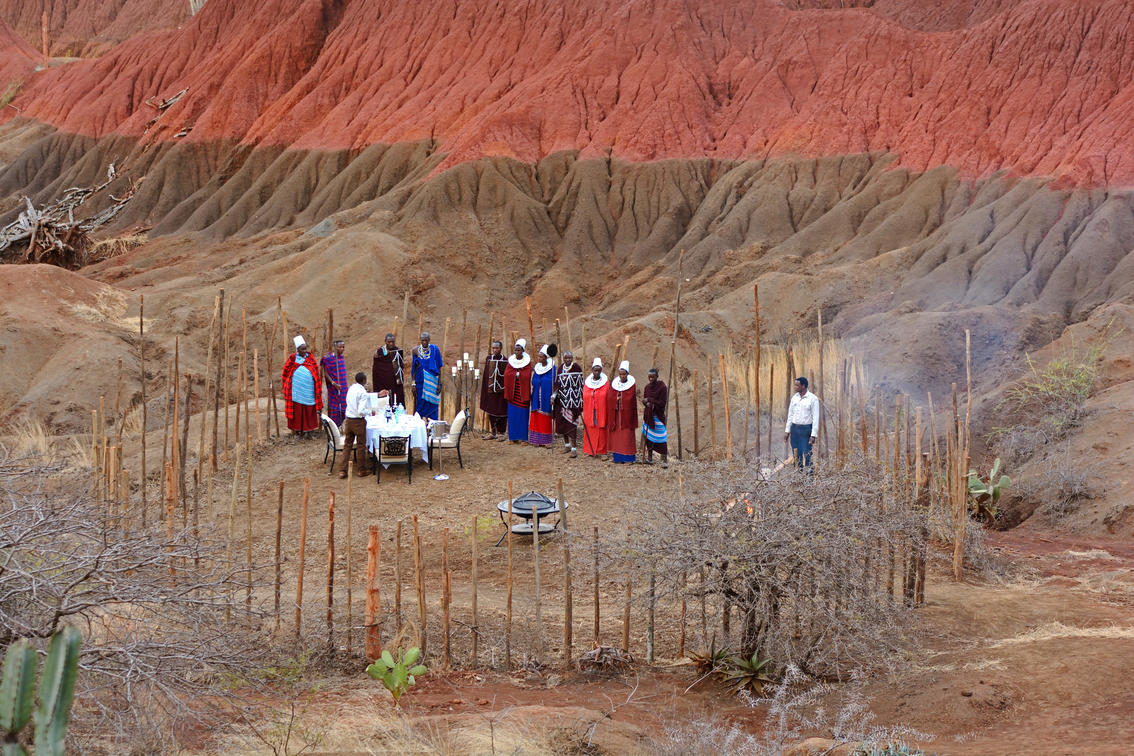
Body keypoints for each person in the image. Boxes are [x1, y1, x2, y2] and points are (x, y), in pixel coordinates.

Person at [281, 335, 322, 437]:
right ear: (297, 350)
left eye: (305, 348)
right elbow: (286, 371)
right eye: (302, 349)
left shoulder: (310, 358)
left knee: (309, 409)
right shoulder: (292, 358)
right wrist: (287, 383)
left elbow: (315, 371)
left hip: (309, 390)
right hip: (296, 391)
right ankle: (298, 431)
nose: (304, 351)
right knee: (298, 410)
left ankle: (309, 431)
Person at [339, 372, 372, 478]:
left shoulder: (351, 388)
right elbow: (361, 410)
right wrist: (369, 412)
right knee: (361, 446)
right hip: (358, 422)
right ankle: (361, 470)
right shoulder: (362, 392)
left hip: (348, 420)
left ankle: (343, 470)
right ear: (364, 380)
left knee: (347, 445)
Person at [784, 376, 819, 472]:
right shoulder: (794, 398)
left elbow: (815, 418)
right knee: (796, 453)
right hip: (795, 429)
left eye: (797, 385)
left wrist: (813, 435)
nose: (795, 387)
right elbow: (790, 415)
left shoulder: (813, 399)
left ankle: (809, 476)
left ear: (803, 386)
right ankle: (798, 475)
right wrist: (787, 431)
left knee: (807, 453)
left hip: (806, 429)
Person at [608, 360, 638, 463]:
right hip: (616, 415)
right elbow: (610, 397)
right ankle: (618, 458)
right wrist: (615, 399)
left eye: (624, 374)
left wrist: (621, 398)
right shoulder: (614, 384)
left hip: (627, 416)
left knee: (627, 436)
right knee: (617, 437)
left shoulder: (631, 385)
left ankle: (628, 458)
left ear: (627, 374)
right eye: (620, 374)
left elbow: (630, 398)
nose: (622, 376)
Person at [503, 339, 533, 443]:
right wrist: (515, 375)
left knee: (523, 416)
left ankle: (523, 438)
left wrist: (519, 375)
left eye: (519, 350)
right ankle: (513, 438)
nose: (517, 352)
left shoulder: (527, 363)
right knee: (512, 416)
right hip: (512, 393)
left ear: (523, 351)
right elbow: (507, 374)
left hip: (522, 393)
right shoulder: (511, 362)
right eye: (515, 350)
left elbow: (527, 375)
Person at [554, 350, 583, 458]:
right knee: (562, 424)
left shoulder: (576, 368)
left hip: (573, 402)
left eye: (569, 358)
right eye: (566, 358)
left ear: (572, 358)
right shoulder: (560, 368)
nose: (567, 360)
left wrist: (579, 400)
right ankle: (567, 446)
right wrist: (553, 395)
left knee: (572, 424)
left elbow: (580, 385)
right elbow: (557, 384)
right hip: (561, 401)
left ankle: (574, 449)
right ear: (563, 358)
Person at [410, 332, 444, 420]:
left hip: (433, 383)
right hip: (420, 382)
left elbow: (439, 367)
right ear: (420, 340)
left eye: (426, 340)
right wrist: (413, 383)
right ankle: (419, 425)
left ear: (429, 340)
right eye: (422, 340)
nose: (424, 342)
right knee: (420, 405)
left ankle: (432, 425)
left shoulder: (435, 350)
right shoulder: (416, 350)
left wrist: (439, 384)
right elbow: (414, 368)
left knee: (433, 405)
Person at [528, 345, 557, 447]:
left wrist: (542, 381)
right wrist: (538, 381)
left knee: (546, 418)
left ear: (546, 357)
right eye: (538, 356)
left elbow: (552, 381)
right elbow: (534, 380)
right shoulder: (537, 368)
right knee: (536, 417)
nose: (539, 358)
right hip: (537, 395)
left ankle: (547, 441)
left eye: (541, 357)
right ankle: (536, 440)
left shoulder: (552, 368)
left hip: (546, 396)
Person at [479, 340, 508, 440]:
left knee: (501, 410)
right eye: (493, 348)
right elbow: (486, 375)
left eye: (497, 348)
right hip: (490, 389)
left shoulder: (505, 360)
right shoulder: (489, 359)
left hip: (501, 390)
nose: (495, 350)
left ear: (501, 349)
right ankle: (493, 432)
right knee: (491, 410)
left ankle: (501, 433)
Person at [581, 358, 610, 457]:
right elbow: (585, 394)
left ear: (601, 370)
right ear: (592, 370)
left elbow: (606, 395)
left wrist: (597, 396)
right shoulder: (587, 383)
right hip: (590, 410)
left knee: (601, 430)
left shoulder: (605, 383)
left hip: (601, 410)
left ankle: (602, 452)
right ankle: (590, 450)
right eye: (595, 370)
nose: (597, 372)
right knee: (590, 428)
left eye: (598, 370)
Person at [641, 367, 668, 468]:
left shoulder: (662, 387)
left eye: (653, 377)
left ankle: (664, 460)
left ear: (657, 376)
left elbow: (662, 403)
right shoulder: (647, 387)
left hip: (658, 416)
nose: (651, 378)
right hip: (649, 415)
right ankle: (650, 458)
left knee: (662, 438)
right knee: (649, 437)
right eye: (649, 377)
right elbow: (645, 400)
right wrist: (646, 403)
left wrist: (650, 400)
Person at [372, 333, 405, 408]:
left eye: (392, 342)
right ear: (385, 341)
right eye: (389, 342)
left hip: (394, 383)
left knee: (396, 402)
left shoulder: (397, 351)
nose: (391, 343)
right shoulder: (379, 352)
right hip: (382, 383)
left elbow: (400, 368)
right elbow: (376, 369)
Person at [321, 339, 348, 426]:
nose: (342, 349)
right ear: (335, 348)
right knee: (336, 410)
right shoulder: (329, 359)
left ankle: (338, 426)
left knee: (344, 409)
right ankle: (332, 428)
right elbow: (326, 373)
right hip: (334, 388)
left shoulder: (341, 358)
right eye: (340, 347)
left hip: (343, 387)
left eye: (343, 347)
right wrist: (334, 383)